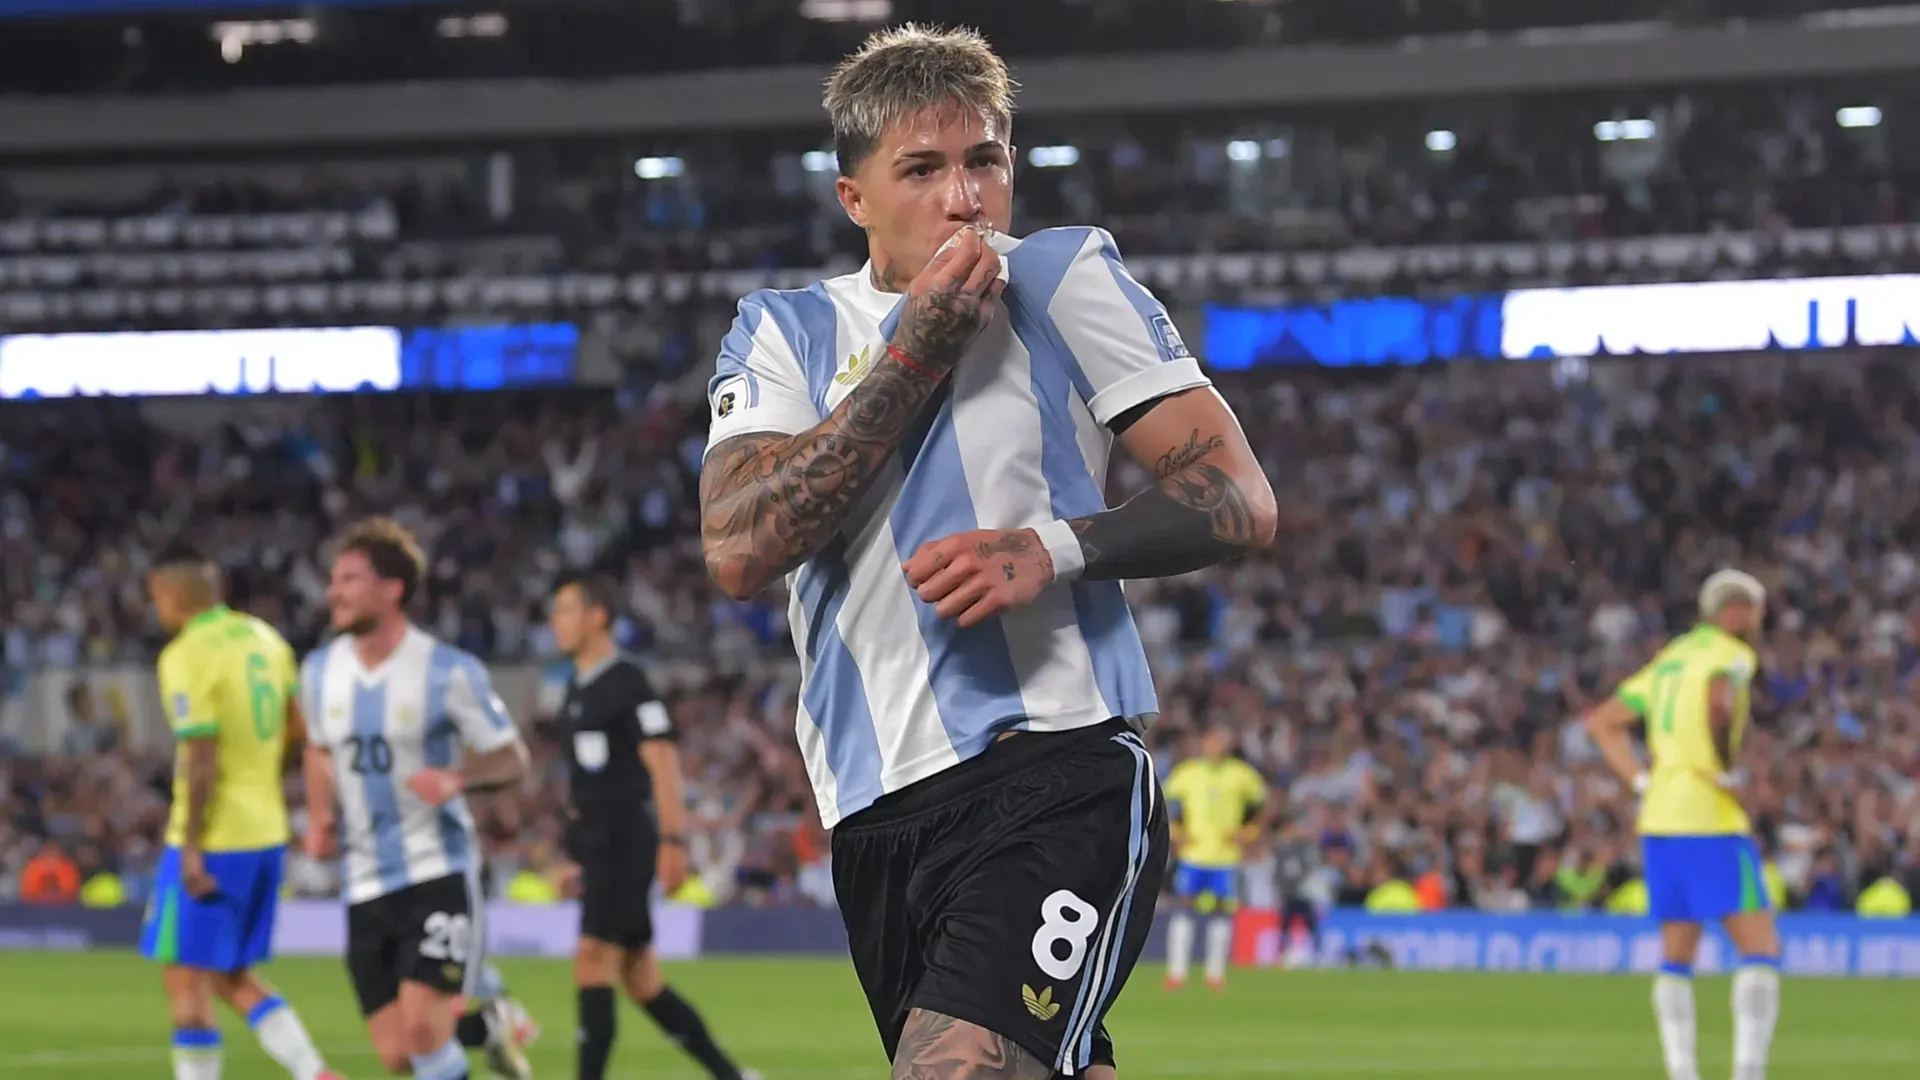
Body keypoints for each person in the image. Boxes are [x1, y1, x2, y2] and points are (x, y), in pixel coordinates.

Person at [696, 24, 1278, 1079]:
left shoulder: (1063, 276)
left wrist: (1054, 548)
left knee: (955, 1067)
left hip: (1058, 760)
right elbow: (739, 549)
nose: (964, 198)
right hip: (877, 808)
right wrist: (916, 350)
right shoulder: (783, 331)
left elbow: (1237, 494)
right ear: (855, 198)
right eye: (922, 170)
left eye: (985, 162)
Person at [301, 518, 540, 1080]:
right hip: (362, 881)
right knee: (398, 1056)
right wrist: (318, 814)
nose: (334, 592)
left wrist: (459, 778)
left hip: (436, 869)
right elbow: (316, 749)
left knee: (423, 1030)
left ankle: (482, 1028)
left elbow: (512, 758)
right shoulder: (317, 673)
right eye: (334, 580)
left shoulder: (447, 670)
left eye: (350, 579)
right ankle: (490, 1027)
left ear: (393, 589)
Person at [137, 544, 342, 1080]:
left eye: (156, 594)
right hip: (265, 831)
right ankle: (315, 1073)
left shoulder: (186, 654)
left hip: (216, 839)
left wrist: (194, 845)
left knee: (185, 980)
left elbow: (199, 756)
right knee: (230, 975)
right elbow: (301, 731)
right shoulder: (265, 639)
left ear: (173, 595)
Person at [545, 575, 761, 1080]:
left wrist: (673, 840)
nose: (556, 621)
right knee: (640, 977)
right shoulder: (577, 685)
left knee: (592, 958)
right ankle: (732, 1075)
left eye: (566, 610)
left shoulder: (627, 682)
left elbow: (663, 765)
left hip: (625, 839)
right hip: (598, 843)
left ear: (597, 616)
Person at [1585, 569, 1781, 1080]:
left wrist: (1640, 782)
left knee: (1677, 954)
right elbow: (1720, 701)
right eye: (1756, 613)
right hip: (1708, 815)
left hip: (1660, 818)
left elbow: (1603, 723)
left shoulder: (1670, 657)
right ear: (1735, 612)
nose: (1758, 624)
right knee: (1759, 947)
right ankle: (1749, 1072)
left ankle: (1682, 1073)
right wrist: (1728, 767)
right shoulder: (1731, 653)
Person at [1161, 727, 1269, 990]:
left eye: (1222, 743)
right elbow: (1168, 804)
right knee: (1184, 908)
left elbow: (1262, 807)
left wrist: (1250, 832)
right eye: (1212, 742)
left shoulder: (1241, 775)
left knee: (1221, 912)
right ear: (1203, 744)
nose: (1217, 747)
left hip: (1225, 857)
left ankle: (1215, 974)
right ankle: (1177, 973)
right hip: (1194, 854)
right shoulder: (1187, 773)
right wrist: (1177, 832)